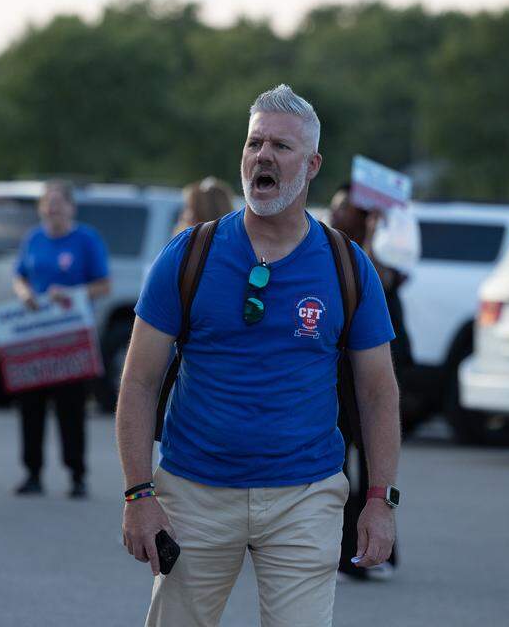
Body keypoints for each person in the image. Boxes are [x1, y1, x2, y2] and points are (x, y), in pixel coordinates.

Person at [117, 85, 401, 626]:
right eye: (254, 143)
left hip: (306, 497)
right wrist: (138, 494)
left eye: (281, 146)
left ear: (312, 164)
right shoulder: (188, 255)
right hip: (195, 493)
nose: (263, 156)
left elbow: (378, 391)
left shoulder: (347, 265)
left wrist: (379, 500)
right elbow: (138, 382)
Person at [328, 184, 410, 582]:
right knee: (339, 469)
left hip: (374, 374)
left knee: (376, 468)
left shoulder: (377, 261)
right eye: (336, 206)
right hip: (336, 378)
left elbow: (394, 289)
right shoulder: (325, 251)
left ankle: (379, 552)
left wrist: (379, 237)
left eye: (346, 208)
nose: (337, 213)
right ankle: (345, 553)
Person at [11, 180, 111, 499]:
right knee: (31, 407)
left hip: (70, 338)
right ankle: (32, 472)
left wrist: (70, 295)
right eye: (47, 203)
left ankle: (77, 474)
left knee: (70, 408)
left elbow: (103, 284)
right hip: (37, 336)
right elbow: (20, 275)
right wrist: (25, 293)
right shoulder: (33, 239)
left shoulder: (86, 239)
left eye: (58, 202)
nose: (52, 208)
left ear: (71, 207)